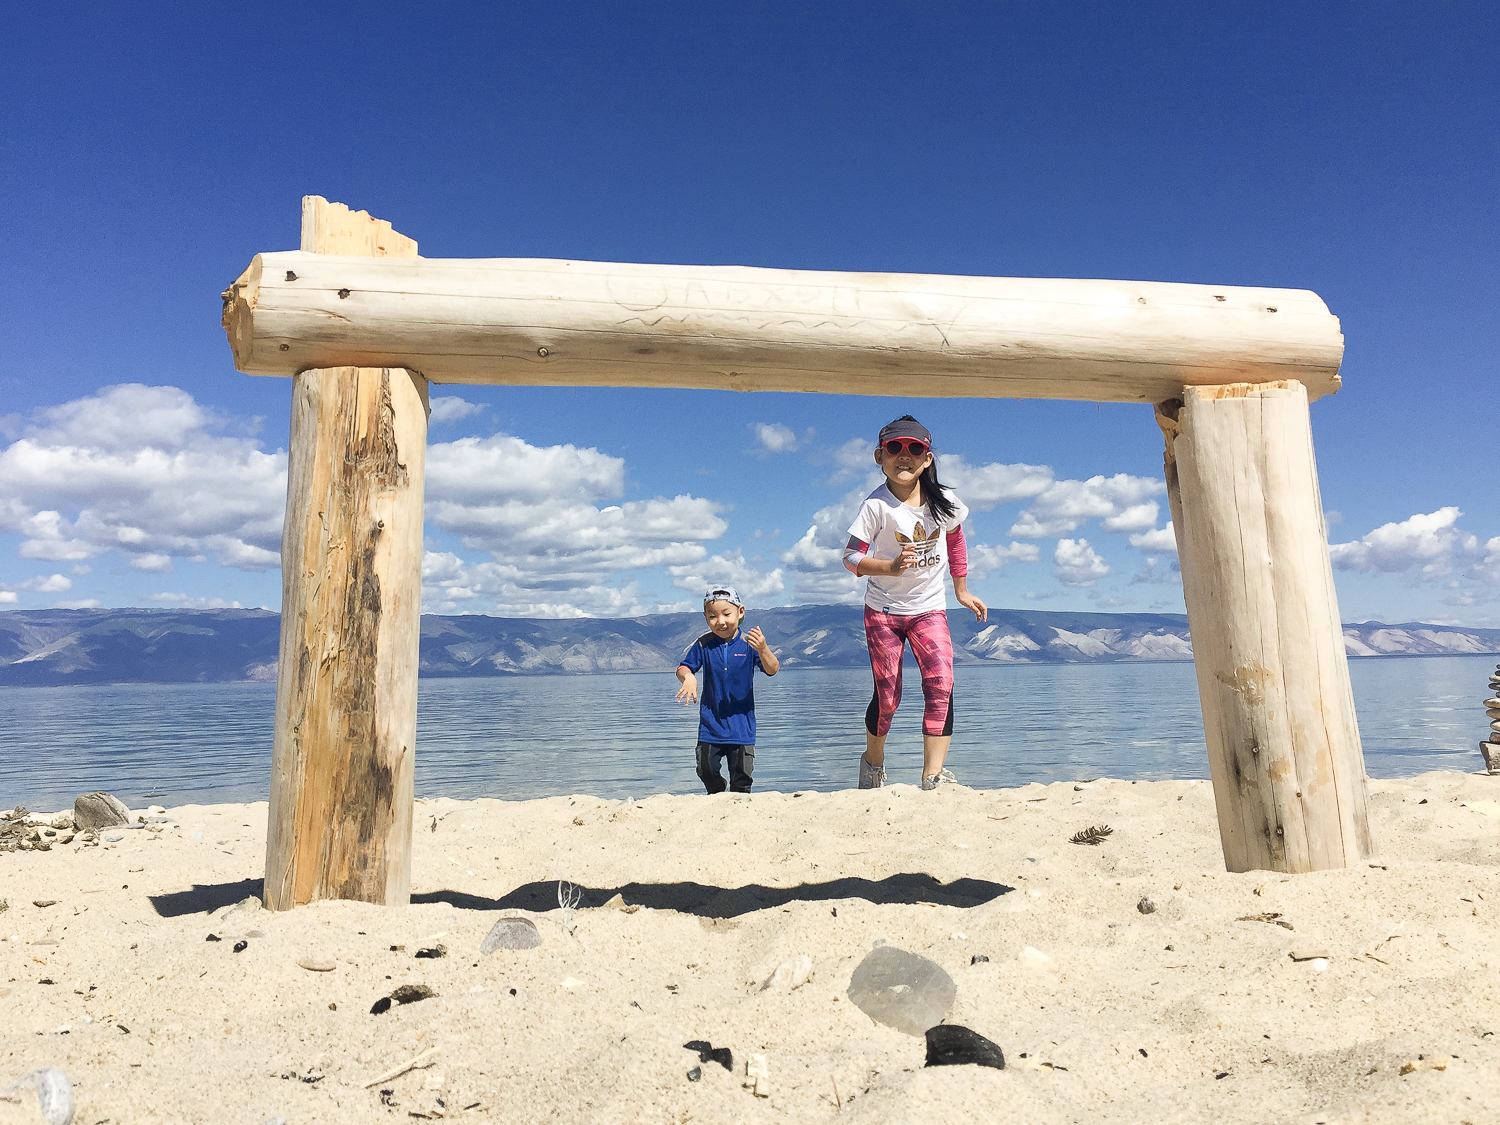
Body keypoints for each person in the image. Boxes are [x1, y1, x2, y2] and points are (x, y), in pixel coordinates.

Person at [843, 415, 987, 790]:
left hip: (929, 609)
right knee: (888, 696)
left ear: (927, 458)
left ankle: (933, 776)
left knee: (941, 684)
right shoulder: (876, 506)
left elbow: (955, 540)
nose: (904, 455)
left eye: (915, 448)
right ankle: (873, 763)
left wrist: (961, 590)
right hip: (883, 612)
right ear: (880, 456)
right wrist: (888, 568)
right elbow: (851, 557)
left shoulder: (945, 502)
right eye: (895, 448)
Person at [675, 585, 780, 793]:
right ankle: (719, 789)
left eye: (726, 614)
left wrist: (763, 649)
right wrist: (688, 677)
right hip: (710, 726)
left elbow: (772, 669)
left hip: (742, 728)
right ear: (705, 617)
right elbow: (684, 667)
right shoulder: (703, 644)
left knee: (741, 781)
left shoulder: (749, 643)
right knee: (706, 770)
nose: (720, 621)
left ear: (740, 612)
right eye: (712, 616)